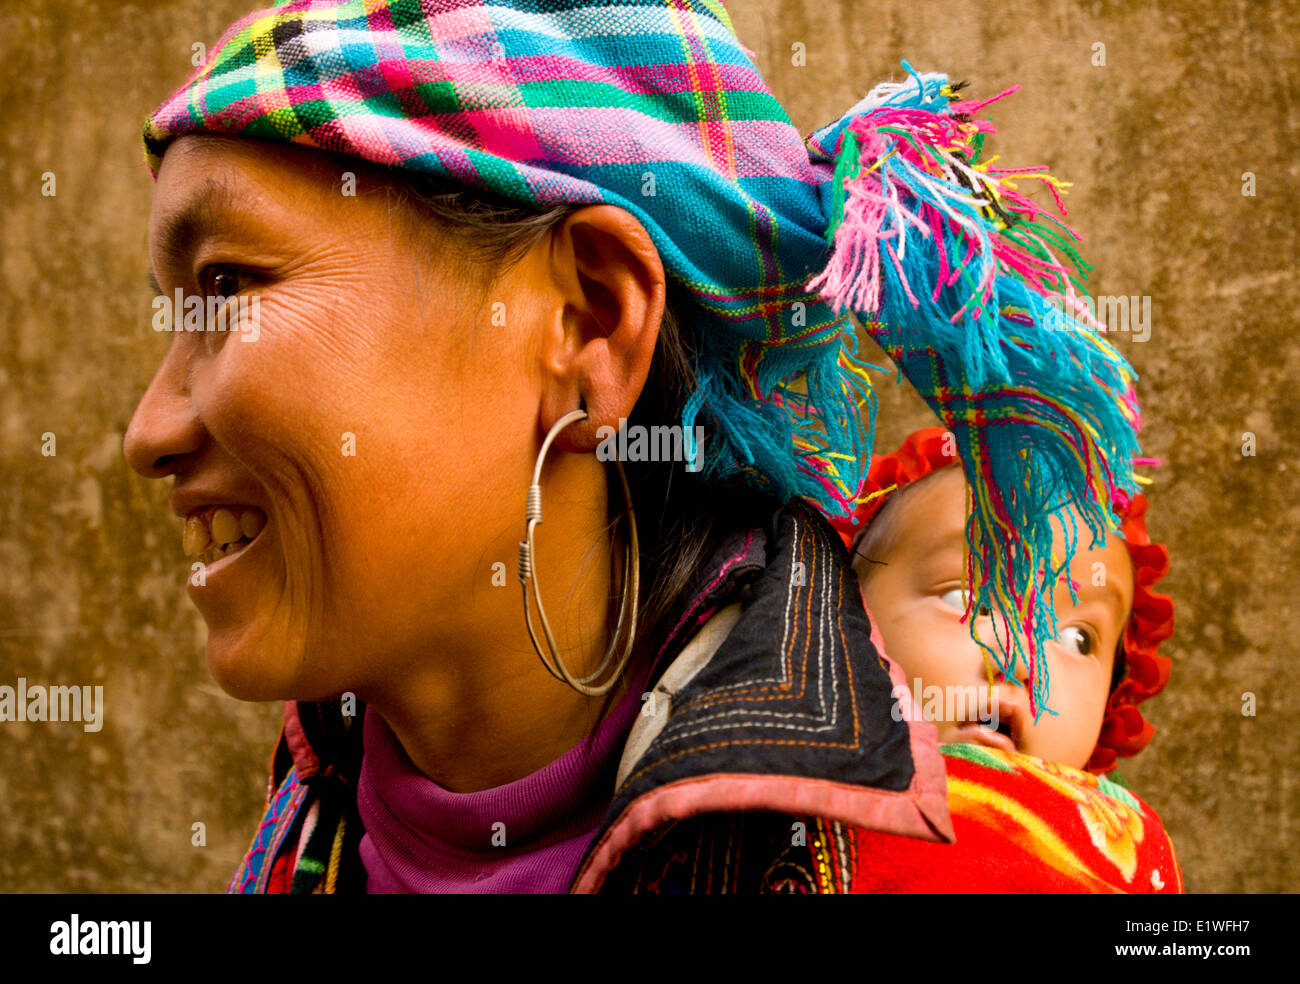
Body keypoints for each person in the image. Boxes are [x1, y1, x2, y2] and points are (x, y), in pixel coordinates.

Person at [124, 0, 1144, 893]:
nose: (150, 432)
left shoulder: (974, 871)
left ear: (588, 323)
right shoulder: (318, 799)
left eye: (228, 287)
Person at [832, 428, 1181, 892]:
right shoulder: (779, 782)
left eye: (1079, 638)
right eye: (966, 598)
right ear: (837, 618)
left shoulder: (1132, 841)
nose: (1019, 661)